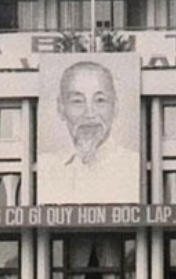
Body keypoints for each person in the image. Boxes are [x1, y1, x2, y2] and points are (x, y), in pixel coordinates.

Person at [37, 60, 139, 204]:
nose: (90, 113)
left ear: (115, 107)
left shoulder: (134, 166)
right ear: (60, 108)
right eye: (77, 101)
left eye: (100, 100)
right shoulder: (44, 168)